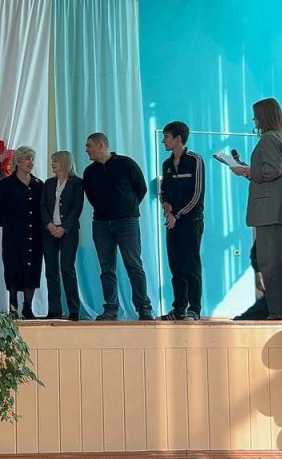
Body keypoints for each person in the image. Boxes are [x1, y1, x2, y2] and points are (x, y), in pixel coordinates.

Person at [232, 98, 282, 320]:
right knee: (279, 264)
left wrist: (248, 172)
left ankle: (279, 312)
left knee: (272, 265)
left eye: (256, 115)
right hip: (277, 210)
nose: (254, 120)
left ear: (265, 115)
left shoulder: (269, 138)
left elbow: (272, 170)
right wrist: (250, 170)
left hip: (270, 211)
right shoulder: (280, 138)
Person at [82, 133, 153, 321]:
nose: (86, 150)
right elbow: (91, 197)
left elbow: (141, 188)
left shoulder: (126, 164)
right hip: (101, 224)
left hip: (127, 222)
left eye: (89, 146)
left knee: (133, 264)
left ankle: (144, 307)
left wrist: (127, 207)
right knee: (107, 268)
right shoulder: (89, 172)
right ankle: (111, 309)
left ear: (101, 145)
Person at [160, 121, 205, 321]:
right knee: (176, 266)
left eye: (166, 137)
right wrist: (166, 205)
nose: (163, 141)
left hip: (191, 221)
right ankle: (179, 308)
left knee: (190, 265)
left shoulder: (195, 160)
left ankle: (194, 309)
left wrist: (177, 214)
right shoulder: (167, 164)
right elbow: (163, 191)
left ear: (178, 138)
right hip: (172, 222)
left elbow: (197, 194)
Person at [0, 146, 44, 319]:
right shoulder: (5, 185)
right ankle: (13, 306)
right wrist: (8, 224)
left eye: (32, 159)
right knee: (13, 267)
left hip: (34, 235)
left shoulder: (39, 185)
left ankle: (28, 307)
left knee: (33, 268)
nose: (30, 162)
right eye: (27, 158)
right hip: (13, 235)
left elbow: (43, 209)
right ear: (18, 161)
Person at [40, 150, 83, 320]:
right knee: (51, 270)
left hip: (69, 232)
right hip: (49, 231)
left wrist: (64, 227)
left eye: (55, 161)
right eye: (52, 161)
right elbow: (42, 206)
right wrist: (50, 225)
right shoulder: (49, 183)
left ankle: (74, 310)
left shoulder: (77, 183)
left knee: (67, 269)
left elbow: (77, 208)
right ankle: (54, 310)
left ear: (65, 162)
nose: (52, 164)